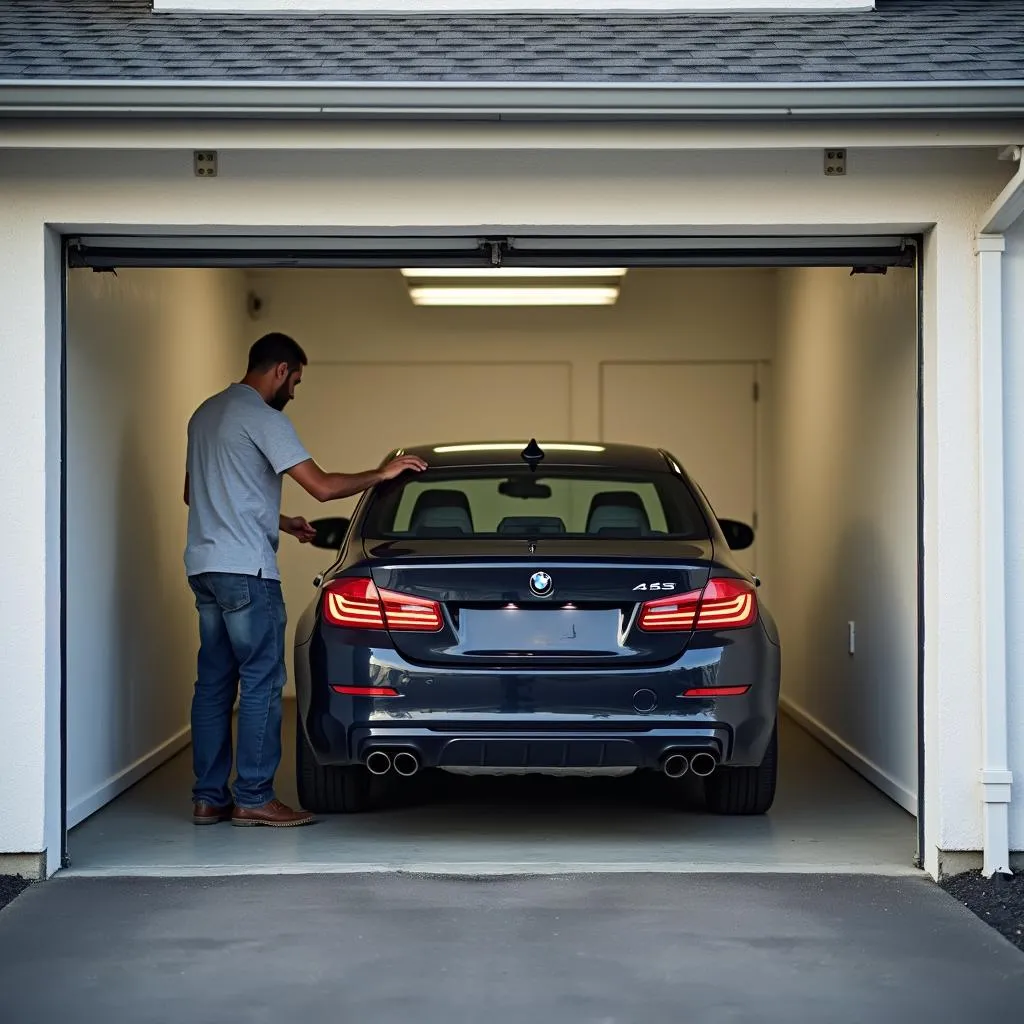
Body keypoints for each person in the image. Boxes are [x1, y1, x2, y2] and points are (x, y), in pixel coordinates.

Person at [183, 332, 426, 827]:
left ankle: (208, 797)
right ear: (278, 370)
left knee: (213, 686)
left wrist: (280, 520)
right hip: (248, 573)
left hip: (206, 568)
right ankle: (252, 794)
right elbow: (323, 487)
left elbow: (197, 494)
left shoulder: (205, 414)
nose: (294, 389)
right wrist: (381, 474)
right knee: (262, 682)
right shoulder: (264, 418)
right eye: (295, 379)